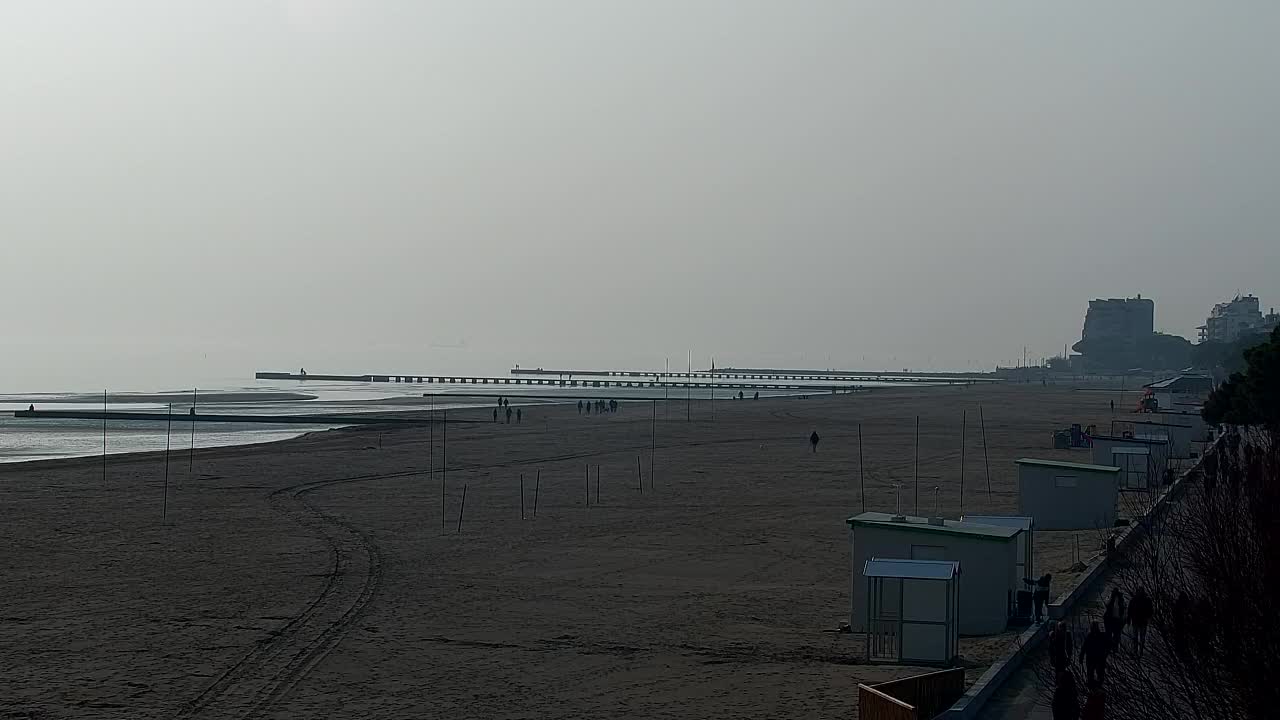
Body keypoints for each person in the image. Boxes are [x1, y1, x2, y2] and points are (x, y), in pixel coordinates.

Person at [1080, 621, 1109, 686]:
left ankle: (1096, 687)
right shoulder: (1091, 636)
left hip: (1098, 658)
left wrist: (1105, 654)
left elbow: (1107, 646)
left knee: (1098, 675)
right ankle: (1093, 686)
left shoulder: (1101, 636)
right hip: (1093, 658)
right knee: (1092, 675)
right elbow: (1084, 647)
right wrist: (1081, 656)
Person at [1129, 587, 1153, 659]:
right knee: (1139, 637)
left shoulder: (1134, 600)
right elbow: (1150, 610)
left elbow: (1130, 609)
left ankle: (1137, 651)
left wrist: (1129, 618)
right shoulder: (1146, 600)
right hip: (1140, 620)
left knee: (1137, 637)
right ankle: (1138, 651)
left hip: (1138, 620)